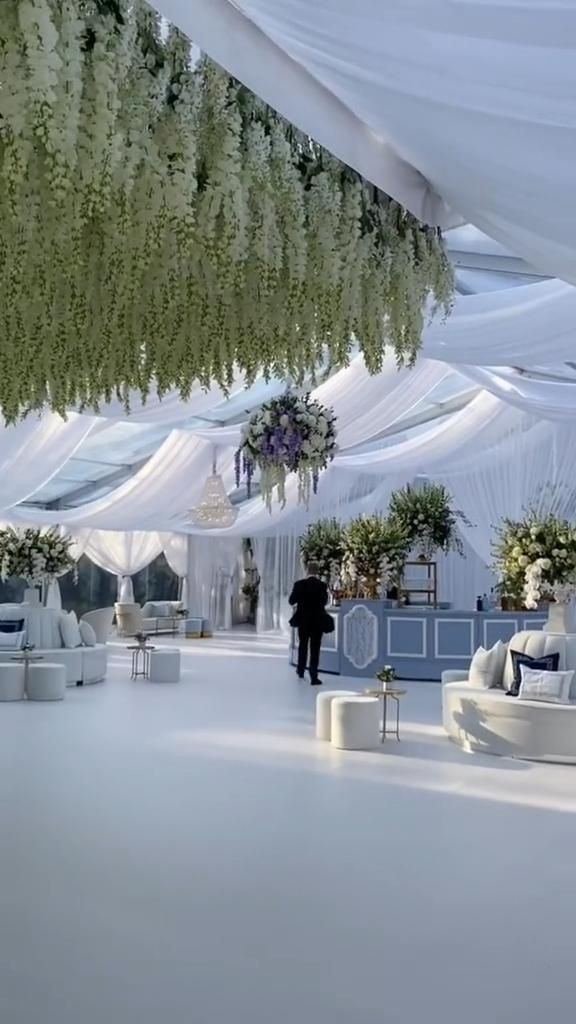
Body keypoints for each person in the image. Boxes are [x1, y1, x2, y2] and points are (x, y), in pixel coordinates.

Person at [289, 562, 329, 686]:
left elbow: (291, 601)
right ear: (317, 572)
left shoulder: (299, 584)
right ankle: (313, 676)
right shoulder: (322, 585)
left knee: (303, 645)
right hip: (317, 621)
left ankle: (300, 670)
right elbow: (324, 602)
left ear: (307, 571)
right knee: (315, 649)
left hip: (303, 621)